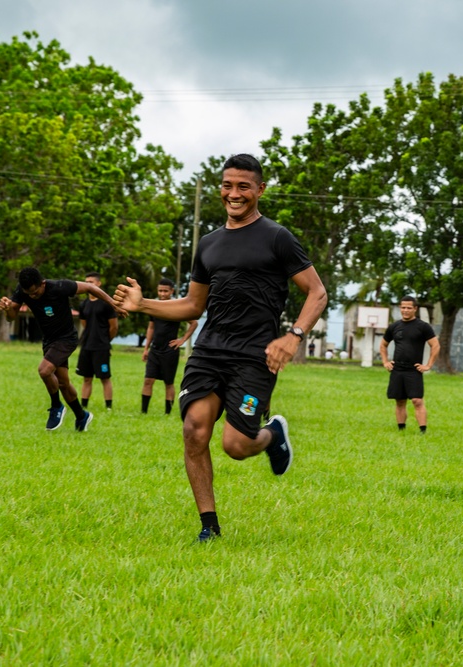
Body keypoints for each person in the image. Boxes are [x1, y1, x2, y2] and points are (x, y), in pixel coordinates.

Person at [113, 154, 327, 543]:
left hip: (255, 357)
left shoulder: (277, 237)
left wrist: (293, 335)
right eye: (228, 185)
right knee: (194, 431)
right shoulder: (208, 244)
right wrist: (144, 305)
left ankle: (271, 435)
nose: (234, 193)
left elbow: (317, 292)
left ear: (260, 190)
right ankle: (208, 526)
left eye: (244, 186)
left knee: (236, 444)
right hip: (209, 352)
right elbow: (194, 306)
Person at [0, 267, 122, 432]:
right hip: (49, 340)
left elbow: (91, 288)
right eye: (29, 294)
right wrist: (7, 309)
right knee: (63, 382)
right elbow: (11, 317)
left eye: (35, 292)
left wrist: (113, 304)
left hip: (66, 339)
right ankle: (81, 416)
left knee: (44, 370)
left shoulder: (60, 287)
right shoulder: (23, 290)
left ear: (42, 283)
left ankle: (56, 406)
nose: (32, 296)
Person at [379, 296, 440, 433]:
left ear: (415, 309)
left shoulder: (423, 327)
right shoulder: (394, 327)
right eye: (403, 307)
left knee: (417, 401)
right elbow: (383, 345)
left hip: (414, 370)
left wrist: (428, 365)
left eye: (408, 308)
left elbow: (435, 345)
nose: (405, 310)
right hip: (397, 369)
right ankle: (401, 430)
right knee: (400, 401)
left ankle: (423, 431)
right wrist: (385, 362)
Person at [140, 279, 198, 415]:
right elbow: (151, 328)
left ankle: (168, 412)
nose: (162, 294)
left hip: (170, 351)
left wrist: (182, 340)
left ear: (172, 291)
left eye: (165, 291)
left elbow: (194, 323)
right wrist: (146, 348)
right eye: (160, 291)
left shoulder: (176, 307)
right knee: (148, 380)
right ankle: (143, 412)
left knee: (168, 382)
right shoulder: (154, 306)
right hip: (155, 349)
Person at [76, 272, 118, 411]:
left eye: (92, 282)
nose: (89, 284)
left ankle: (108, 407)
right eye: (86, 281)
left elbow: (113, 327)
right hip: (86, 346)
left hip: (101, 347)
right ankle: (83, 406)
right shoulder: (84, 305)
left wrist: (105, 340)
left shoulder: (106, 304)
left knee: (104, 378)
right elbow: (84, 324)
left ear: (99, 283)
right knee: (86, 378)